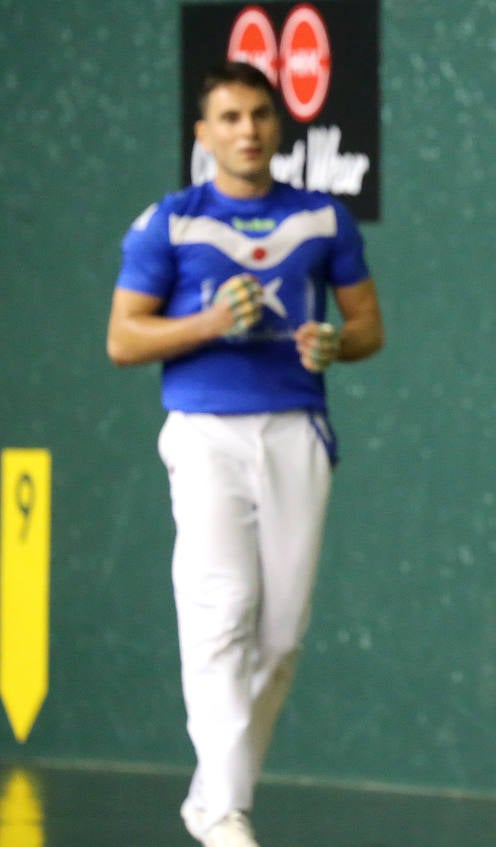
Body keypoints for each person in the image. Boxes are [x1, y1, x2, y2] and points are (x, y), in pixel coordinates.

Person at [106, 61, 384, 847]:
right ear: (204, 134)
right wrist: (203, 324)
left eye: (260, 114)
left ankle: (212, 796)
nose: (248, 130)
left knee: (282, 634)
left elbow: (368, 327)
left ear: (279, 125)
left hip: (296, 429)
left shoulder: (324, 220)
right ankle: (226, 812)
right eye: (229, 118)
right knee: (220, 610)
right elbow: (123, 338)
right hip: (204, 433)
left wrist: (336, 341)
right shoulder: (171, 221)